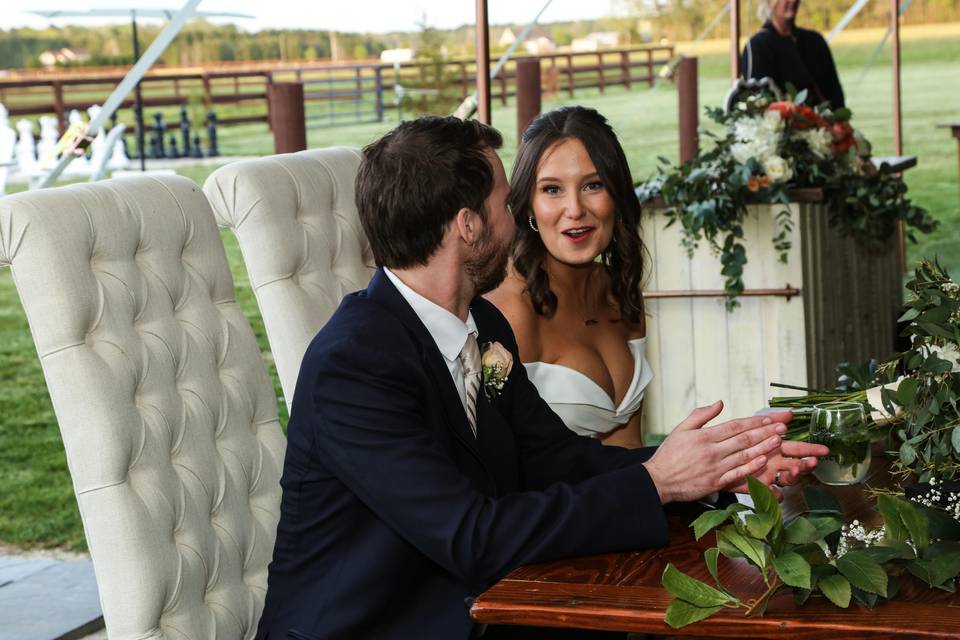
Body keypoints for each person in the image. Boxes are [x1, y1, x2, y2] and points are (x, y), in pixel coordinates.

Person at [255, 116, 823, 640]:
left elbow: (556, 459)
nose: (518, 214)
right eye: (507, 200)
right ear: (469, 225)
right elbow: (472, 537)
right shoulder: (353, 365)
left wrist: (712, 469)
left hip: (481, 607)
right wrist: (657, 484)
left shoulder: (481, 322)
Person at [487, 106, 824, 482]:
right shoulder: (510, 311)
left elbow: (631, 456)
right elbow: (502, 478)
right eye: (552, 190)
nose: (575, 209)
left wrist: (737, 465)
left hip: (620, 518)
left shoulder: (619, 294)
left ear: (616, 194)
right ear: (528, 204)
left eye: (592, 185)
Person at [740, 0, 845, 109]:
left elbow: (836, 96)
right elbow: (759, 104)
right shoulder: (758, 46)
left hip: (829, 124)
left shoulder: (815, 41)